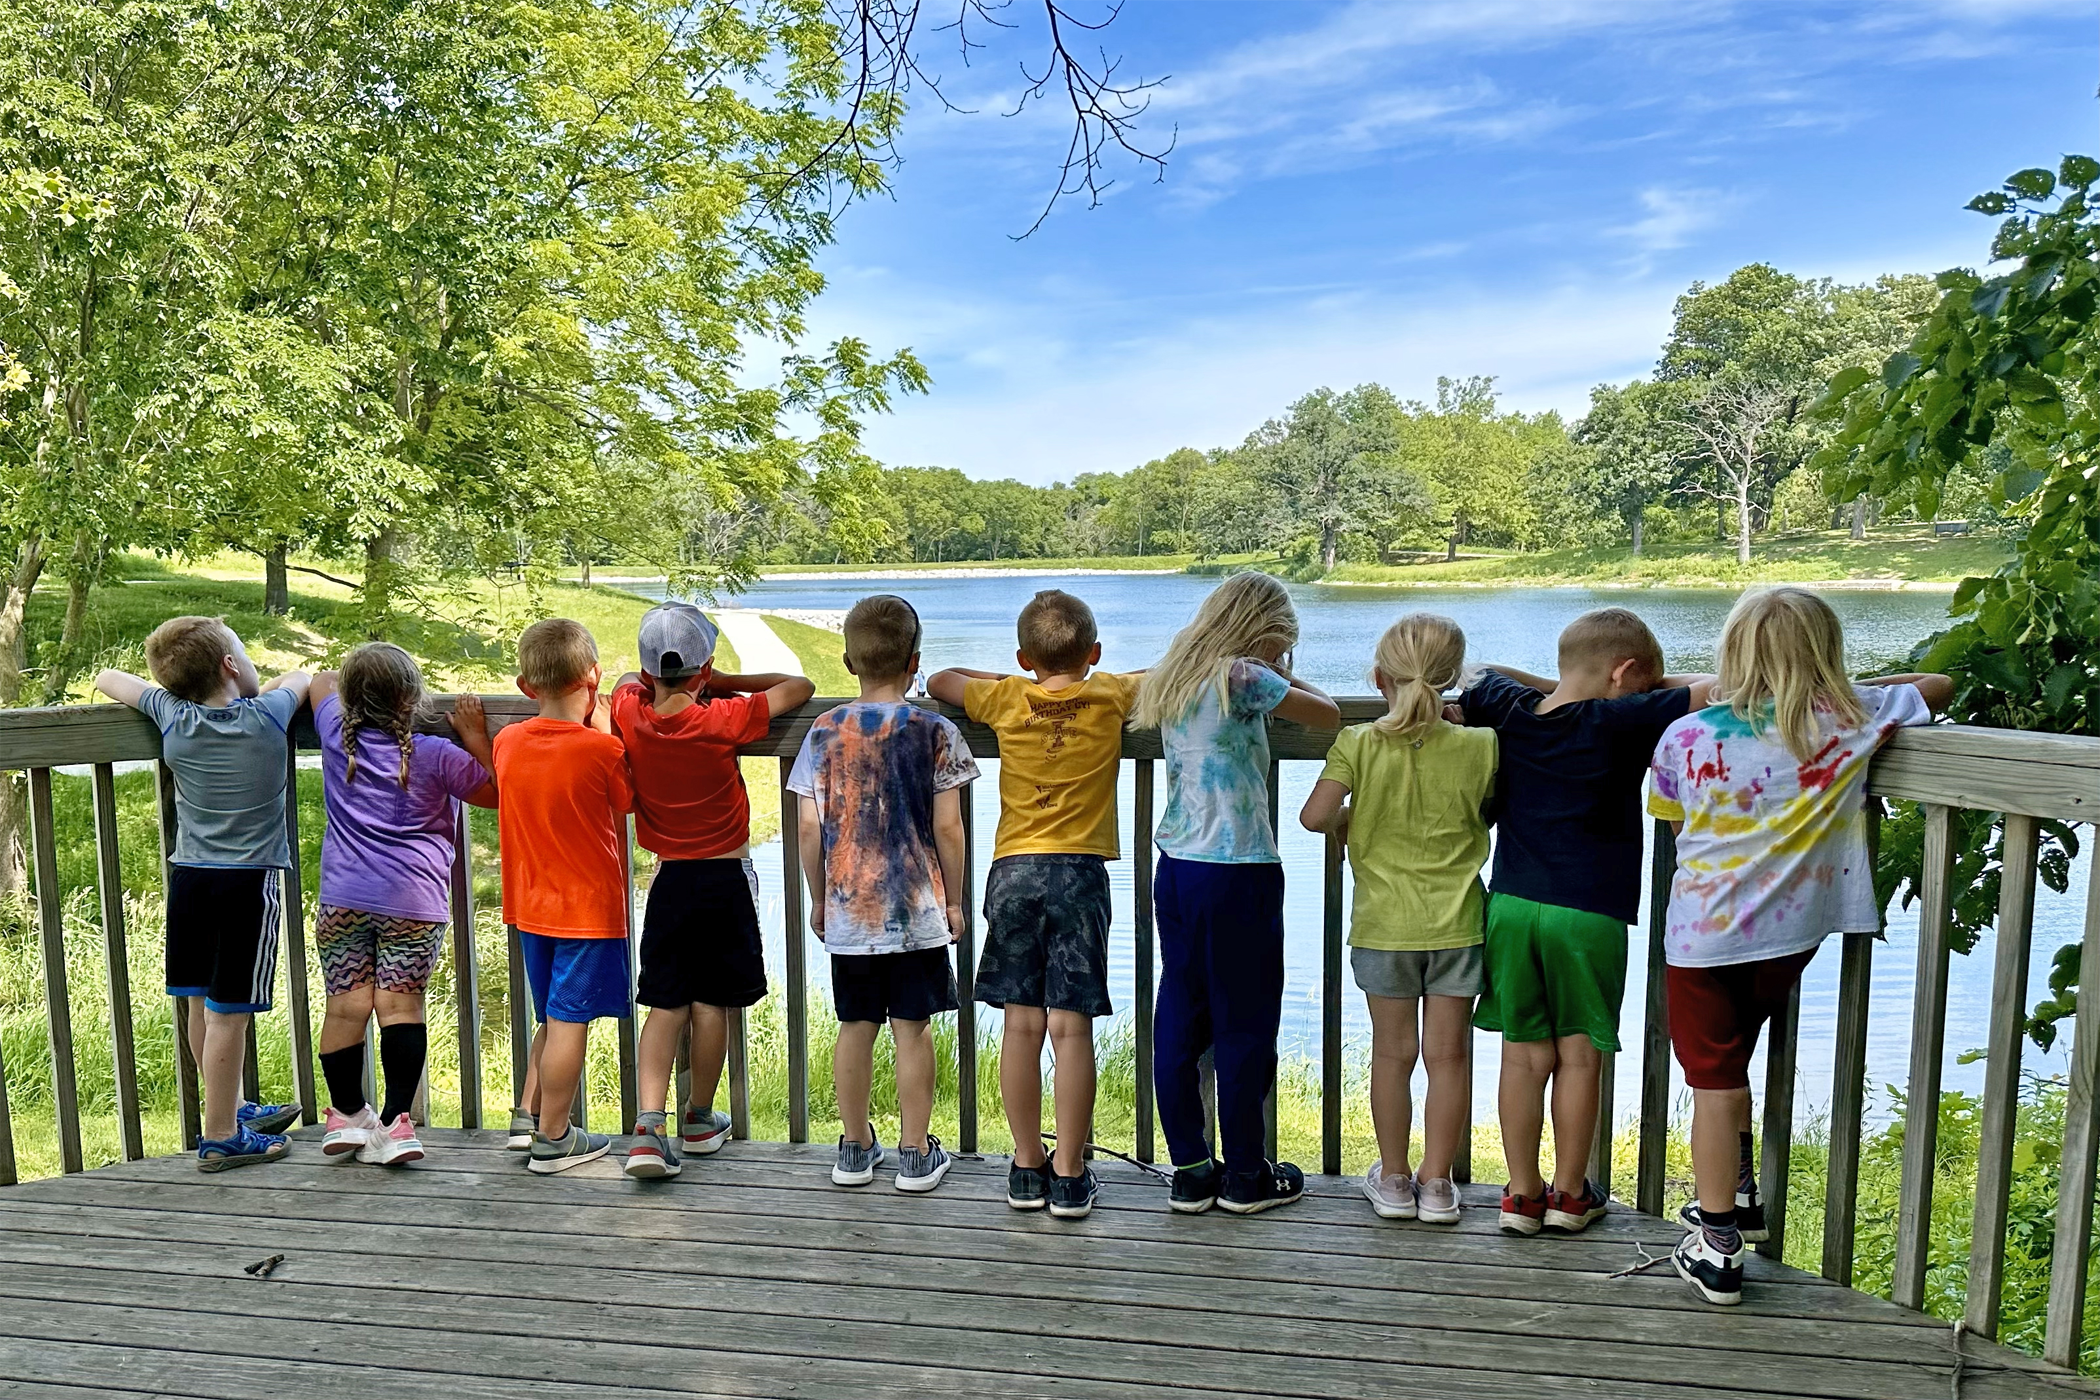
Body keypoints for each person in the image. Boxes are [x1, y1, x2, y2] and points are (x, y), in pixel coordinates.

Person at [1651, 587, 1949, 1305]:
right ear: (1827, 656)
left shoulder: (1685, 736)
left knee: (1713, 1078)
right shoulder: (1853, 723)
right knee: (1731, 1061)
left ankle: (1718, 1242)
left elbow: (1668, 817)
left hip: (1703, 938)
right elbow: (1938, 684)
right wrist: (1842, 692)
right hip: (1793, 936)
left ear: (1731, 655)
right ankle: (1739, 1192)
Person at [1459, 608, 1714, 1236]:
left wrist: (1562, 683)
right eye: (1644, 683)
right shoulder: (1622, 718)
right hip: (1588, 914)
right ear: (1625, 674)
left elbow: (1479, 673)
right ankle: (1570, 1195)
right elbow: (1725, 683)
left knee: (1521, 1056)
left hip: (1512, 905)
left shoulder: (1509, 709)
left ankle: (1520, 1195)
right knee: (1579, 1056)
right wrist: (1651, 690)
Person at [927, 590, 1140, 1219]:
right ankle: (1070, 1174)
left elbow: (940, 678)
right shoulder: (1110, 695)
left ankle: (1026, 1166)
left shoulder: (1007, 698)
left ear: (1024, 658)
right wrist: (1096, 676)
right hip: (1079, 874)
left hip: (1013, 872)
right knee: (1070, 1030)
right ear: (1095, 653)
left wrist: (1009, 676)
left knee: (1020, 1026)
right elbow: (1170, 674)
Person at [1132, 572, 1339, 1215]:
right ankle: (1248, 1174)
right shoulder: (1243, 677)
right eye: (1283, 644)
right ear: (1263, 631)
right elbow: (1328, 715)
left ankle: (1191, 1171)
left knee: (1182, 1012)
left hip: (1179, 867)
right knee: (1245, 1021)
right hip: (1241, 868)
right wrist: (1282, 669)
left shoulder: (1175, 674)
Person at [95, 618, 310, 1171]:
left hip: (190, 879)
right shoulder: (266, 717)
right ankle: (220, 1135)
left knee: (199, 999)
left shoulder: (173, 715)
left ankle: (231, 1108)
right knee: (230, 1016)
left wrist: (164, 690)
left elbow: (106, 677)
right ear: (230, 667)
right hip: (249, 884)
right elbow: (301, 675)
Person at [1300, 614, 1494, 1225]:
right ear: (1453, 681)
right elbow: (1484, 813)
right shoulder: (1482, 744)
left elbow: (1313, 817)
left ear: (1380, 677)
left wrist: (1354, 820)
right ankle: (1437, 1183)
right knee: (1450, 1058)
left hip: (1384, 925)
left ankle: (1392, 1178)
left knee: (1392, 1055)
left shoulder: (1358, 742)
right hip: (1459, 921)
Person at [612, 603, 814, 1179]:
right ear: (703, 671)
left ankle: (648, 1127)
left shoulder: (632, 714)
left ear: (654, 672)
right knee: (712, 1006)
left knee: (665, 1002)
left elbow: (626, 682)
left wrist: (653, 682)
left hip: (670, 877)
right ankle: (698, 1118)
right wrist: (721, 684)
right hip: (724, 878)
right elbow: (799, 684)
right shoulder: (724, 717)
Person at [789, 595, 977, 1193]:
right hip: (916, 912)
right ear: (915, 661)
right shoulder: (934, 730)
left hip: (851, 912)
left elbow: (809, 826)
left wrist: (819, 897)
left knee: (856, 1024)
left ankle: (853, 1147)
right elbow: (949, 827)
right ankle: (916, 1153)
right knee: (913, 1027)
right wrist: (953, 898)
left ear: (849, 661)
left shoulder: (823, 731)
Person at [309, 643, 499, 1166]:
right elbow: (495, 792)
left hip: (343, 900)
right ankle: (396, 1125)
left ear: (350, 702)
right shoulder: (436, 754)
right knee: (401, 1007)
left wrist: (343, 691)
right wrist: (477, 738)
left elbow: (321, 679)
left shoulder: (334, 733)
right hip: (413, 902)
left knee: (345, 1005)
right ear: (413, 699)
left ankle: (347, 1114)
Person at [495, 618, 636, 1174]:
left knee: (553, 1018)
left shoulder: (508, 742)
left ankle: (529, 1117)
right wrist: (607, 733)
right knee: (570, 1021)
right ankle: (555, 1137)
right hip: (587, 911)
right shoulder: (601, 752)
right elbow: (624, 802)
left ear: (527, 688)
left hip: (530, 906)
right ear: (594, 676)